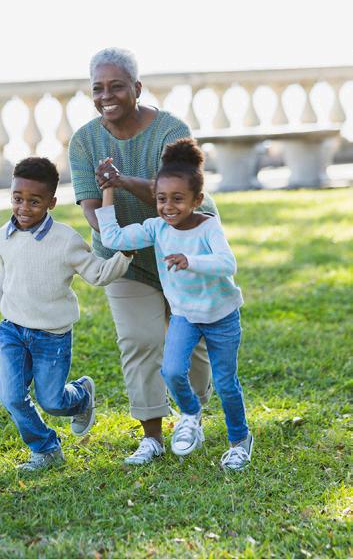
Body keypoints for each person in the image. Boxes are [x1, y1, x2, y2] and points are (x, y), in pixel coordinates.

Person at [68, 47, 218, 465]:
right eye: (98, 88)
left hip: (182, 250)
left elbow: (178, 197)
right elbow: (90, 204)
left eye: (116, 86)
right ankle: (151, 436)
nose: (106, 96)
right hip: (125, 257)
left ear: (136, 88)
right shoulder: (84, 141)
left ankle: (191, 414)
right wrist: (117, 238)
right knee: (139, 340)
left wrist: (122, 181)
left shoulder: (171, 131)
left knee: (191, 344)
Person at [96, 137, 253, 470]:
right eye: (161, 198)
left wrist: (190, 260)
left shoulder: (208, 226)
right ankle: (191, 415)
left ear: (197, 200)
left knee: (226, 384)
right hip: (185, 316)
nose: (168, 207)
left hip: (222, 316)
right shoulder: (157, 228)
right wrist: (108, 188)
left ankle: (240, 441)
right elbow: (112, 238)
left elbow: (227, 264)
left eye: (178, 199)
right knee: (171, 371)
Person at [0, 157, 133, 471]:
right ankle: (46, 449)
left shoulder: (66, 240)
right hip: (13, 330)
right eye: (18, 198)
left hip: (51, 336)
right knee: (11, 397)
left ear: (51, 203)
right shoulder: (3, 235)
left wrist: (124, 256)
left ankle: (81, 396)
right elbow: (4, 278)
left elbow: (98, 274)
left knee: (53, 402)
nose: (24, 208)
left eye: (34, 201)